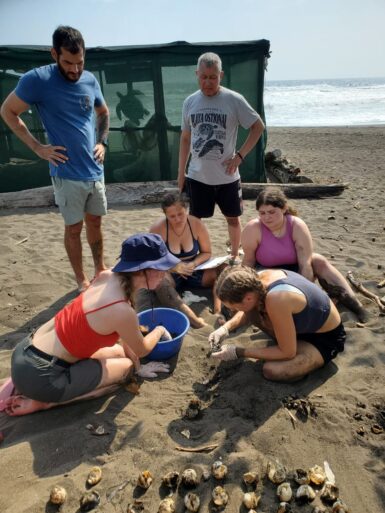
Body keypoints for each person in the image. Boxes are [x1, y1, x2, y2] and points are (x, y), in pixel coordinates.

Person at [3, 233, 180, 416]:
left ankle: (24, 384)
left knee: (120, 353)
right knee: (126, 369)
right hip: (42, 377)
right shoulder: (121, 310)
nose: (164, 274)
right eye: (161, 268)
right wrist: (159, 331)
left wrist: (139, 366)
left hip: (24, 352)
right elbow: (142, 350)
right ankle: (44, 403)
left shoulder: (107, 275)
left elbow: (124, 336)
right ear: (143, 269)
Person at [0, 26, 110, 292]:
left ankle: (100, 269)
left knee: (95, 222)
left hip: (94, 170)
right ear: (54, 54)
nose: (74, 69)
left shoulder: (90, 80)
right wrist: (37, 147)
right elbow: (8, 111)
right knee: (74, 228)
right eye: (68, 63)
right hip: (66, 172)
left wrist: (102, 142)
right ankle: (81, 279)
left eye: (80, 62)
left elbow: (103, 113)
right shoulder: (36, 80)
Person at [178, 52, 265, 263]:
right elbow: (186, 139)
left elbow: (257, 127)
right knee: (194, 219)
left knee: (233, 218)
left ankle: (235, 254)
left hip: (227, 176)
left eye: (213, 77)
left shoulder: (233, 100)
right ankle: (196, 254)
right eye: (204, 77)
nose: (208, 82)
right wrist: (181, 173)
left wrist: (240, 156)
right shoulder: (190, 102)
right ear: (196, 74)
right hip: (198, 176)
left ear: (221, 75)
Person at [241, 187, 368, 322]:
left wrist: (304, 295)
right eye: (262, 213)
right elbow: (248, 261)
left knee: (318, 260)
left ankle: (354, 303)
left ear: (284, 209)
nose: (266, 217)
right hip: (267, 273)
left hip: (296, 271)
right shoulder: (253, 228)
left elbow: (305, 264)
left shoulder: (296, 225)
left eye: (272, 212)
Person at [208, 266, 346, 382]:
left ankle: (310, 359)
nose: (233, 310)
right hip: (300, 325)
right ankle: (287, 341)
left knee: (272, 370)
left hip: (324, 338)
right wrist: (225, 328)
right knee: (252, 310)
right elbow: (247, 309)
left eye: (233, 306)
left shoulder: (277, 299)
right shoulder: (253, 280)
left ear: (248, 297)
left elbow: (288, 353)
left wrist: (238, 352)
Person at [144, 191, 226, 328]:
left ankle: (219, 311)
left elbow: (206, 252)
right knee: (160, 281)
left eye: (180, 214)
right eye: (172, 216)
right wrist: (174, 266)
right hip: (170, 271)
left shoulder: (196, 224)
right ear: (165, 215)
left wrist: (194, 263)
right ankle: (193, 319)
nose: (177, 219)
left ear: (186, 209)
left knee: (224, 269)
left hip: (194, 269)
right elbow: (151, 260)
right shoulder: (158, 229)